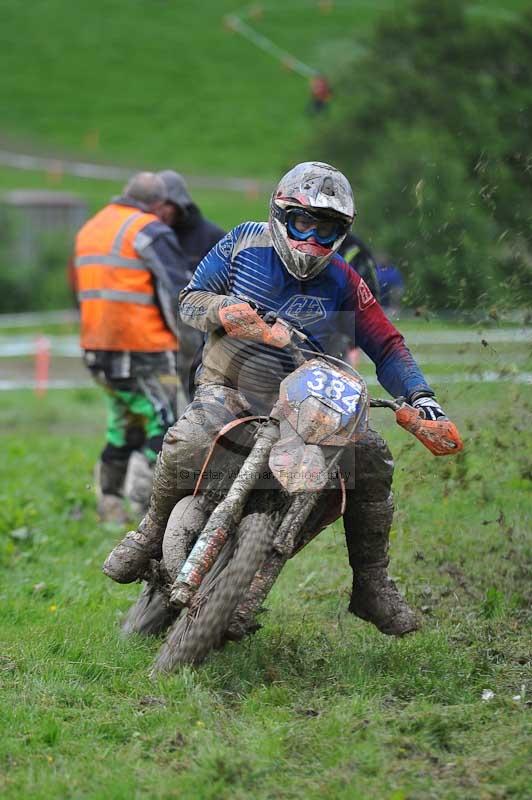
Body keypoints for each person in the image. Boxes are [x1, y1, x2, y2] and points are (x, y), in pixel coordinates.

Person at [104, 161, 461, 637]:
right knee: (186, 437)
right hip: (229, 383)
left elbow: (388, 344)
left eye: (327, 227)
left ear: (341, 232)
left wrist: (421, 398)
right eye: (303, 222)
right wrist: (224, 310)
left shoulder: (345, 279)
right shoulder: (241, 243)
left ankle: (372, 584)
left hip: (309, 402)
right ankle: (150, 530)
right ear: (280, 214)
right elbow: (189, 299)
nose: (313, 237)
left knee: (372, 457)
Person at [75, 172, 191, 523]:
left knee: (125, 426)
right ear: (158, 205)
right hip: (144, 349)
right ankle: (146, 508)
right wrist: (191, 344)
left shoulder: (91, 228)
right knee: (166, 423)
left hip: (97, 348)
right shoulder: (148, 229)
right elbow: (177, 292)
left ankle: (108, 505)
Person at [156, 170, 226, 397]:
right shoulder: (153, 239)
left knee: (199, 401)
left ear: (179, 203)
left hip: (202, 337)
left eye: (166, 204)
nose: (160, 211)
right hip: (160, 337)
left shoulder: (212, 237)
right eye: (156, 204)